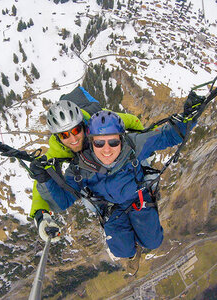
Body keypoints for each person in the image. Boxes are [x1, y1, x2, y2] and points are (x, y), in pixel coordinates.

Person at [30, 107, 198, 275]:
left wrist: (191, 116)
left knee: (153, 242)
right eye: (99, 143)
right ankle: (133, 254)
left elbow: (167, 135)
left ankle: (139, 242)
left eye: (113, 142)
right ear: (92, 141)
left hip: (137, 199)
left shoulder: (133, 145)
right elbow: (63, 201)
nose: (107, 149)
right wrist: (44, 180)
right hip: (111, 210)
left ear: (120, 138)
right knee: (122, 251)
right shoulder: (79, 169)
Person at [29, 86, 145, 243]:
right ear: (57, 137)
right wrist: (40, 213)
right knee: (89, 200)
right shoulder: (57, 150)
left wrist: (143, 151)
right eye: (64, 135)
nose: (73, 139)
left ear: (83, 126)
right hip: (89, 169)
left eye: (76, 130)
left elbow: (133, 121)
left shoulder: (100, 121)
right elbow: (43, 177)